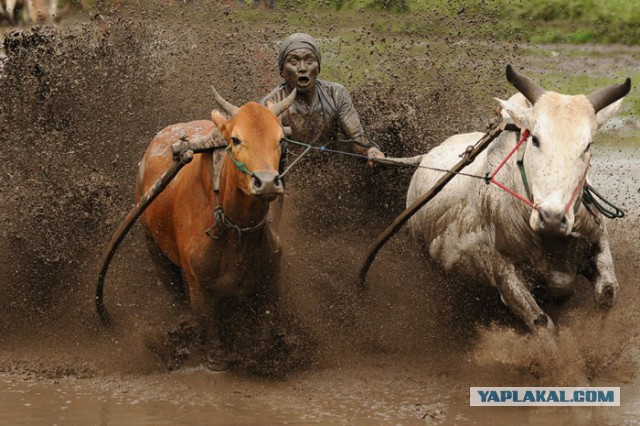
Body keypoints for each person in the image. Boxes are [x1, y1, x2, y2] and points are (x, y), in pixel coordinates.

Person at [262, 32, 385, 169]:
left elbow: (357, 140)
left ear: (318, 67)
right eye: (294, 62)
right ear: (282, 71)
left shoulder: (336, 94)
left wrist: (370, 151)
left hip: (332, 170)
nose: (302, 68)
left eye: (309, 61)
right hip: (290, 173)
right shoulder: (271, 104)